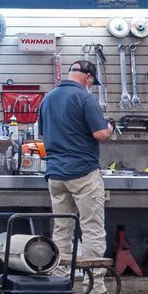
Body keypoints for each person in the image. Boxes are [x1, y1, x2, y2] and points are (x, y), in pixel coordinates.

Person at [37, 59, 112, 261]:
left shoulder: (47, 98)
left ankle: (60, 281)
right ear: (88, 77)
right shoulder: (85, 98)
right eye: (91, 81)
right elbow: (101, 134)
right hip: (83, 173)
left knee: (61, 228)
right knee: (92, 228)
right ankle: (96, 286)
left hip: (55, 174)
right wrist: (110, 127)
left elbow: (43, 136)